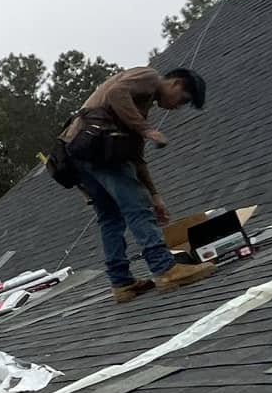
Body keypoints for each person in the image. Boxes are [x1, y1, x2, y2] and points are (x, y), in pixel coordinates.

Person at [60, 66, 210, 303]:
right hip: (98, 149)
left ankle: (121, 283)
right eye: (182, 100)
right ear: (176, 84)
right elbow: (116, 93)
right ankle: (165, 269)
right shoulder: (150, 78)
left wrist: (155, 195)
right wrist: (147, 130)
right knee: (137, 207)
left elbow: (136, 157)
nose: (177, 107)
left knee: (111, 217)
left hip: (79, 153)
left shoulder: (138, 107)